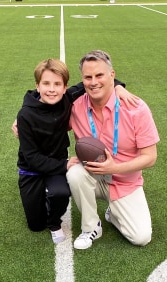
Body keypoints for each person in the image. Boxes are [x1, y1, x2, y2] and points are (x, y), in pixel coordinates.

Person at [15, 59, 137, 244]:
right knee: (36, 225)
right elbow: (31, 158)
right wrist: (64, 165)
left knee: (61, 193)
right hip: (32, 170)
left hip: (56, 165)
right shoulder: (25, 115)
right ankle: (41, 204)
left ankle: (54, 222)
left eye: (57, 84)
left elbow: (94, 82)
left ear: (65, 88)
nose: (51, 89)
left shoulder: (67, 98)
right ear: (37, 86)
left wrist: (118, 87)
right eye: (46, 84)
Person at [66, 50, 159, 250]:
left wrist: (114, 167)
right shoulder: (75, 107)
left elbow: (150, 158)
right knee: (74, 173)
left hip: (126, 181)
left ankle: (113, 213)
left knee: (141, 237)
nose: (93, 82)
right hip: (94, 175)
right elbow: (48, 119)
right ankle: (92, 226)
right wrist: (23, 119)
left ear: (112, 75)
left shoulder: (136, 108)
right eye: (88, 77)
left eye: (99, 75)